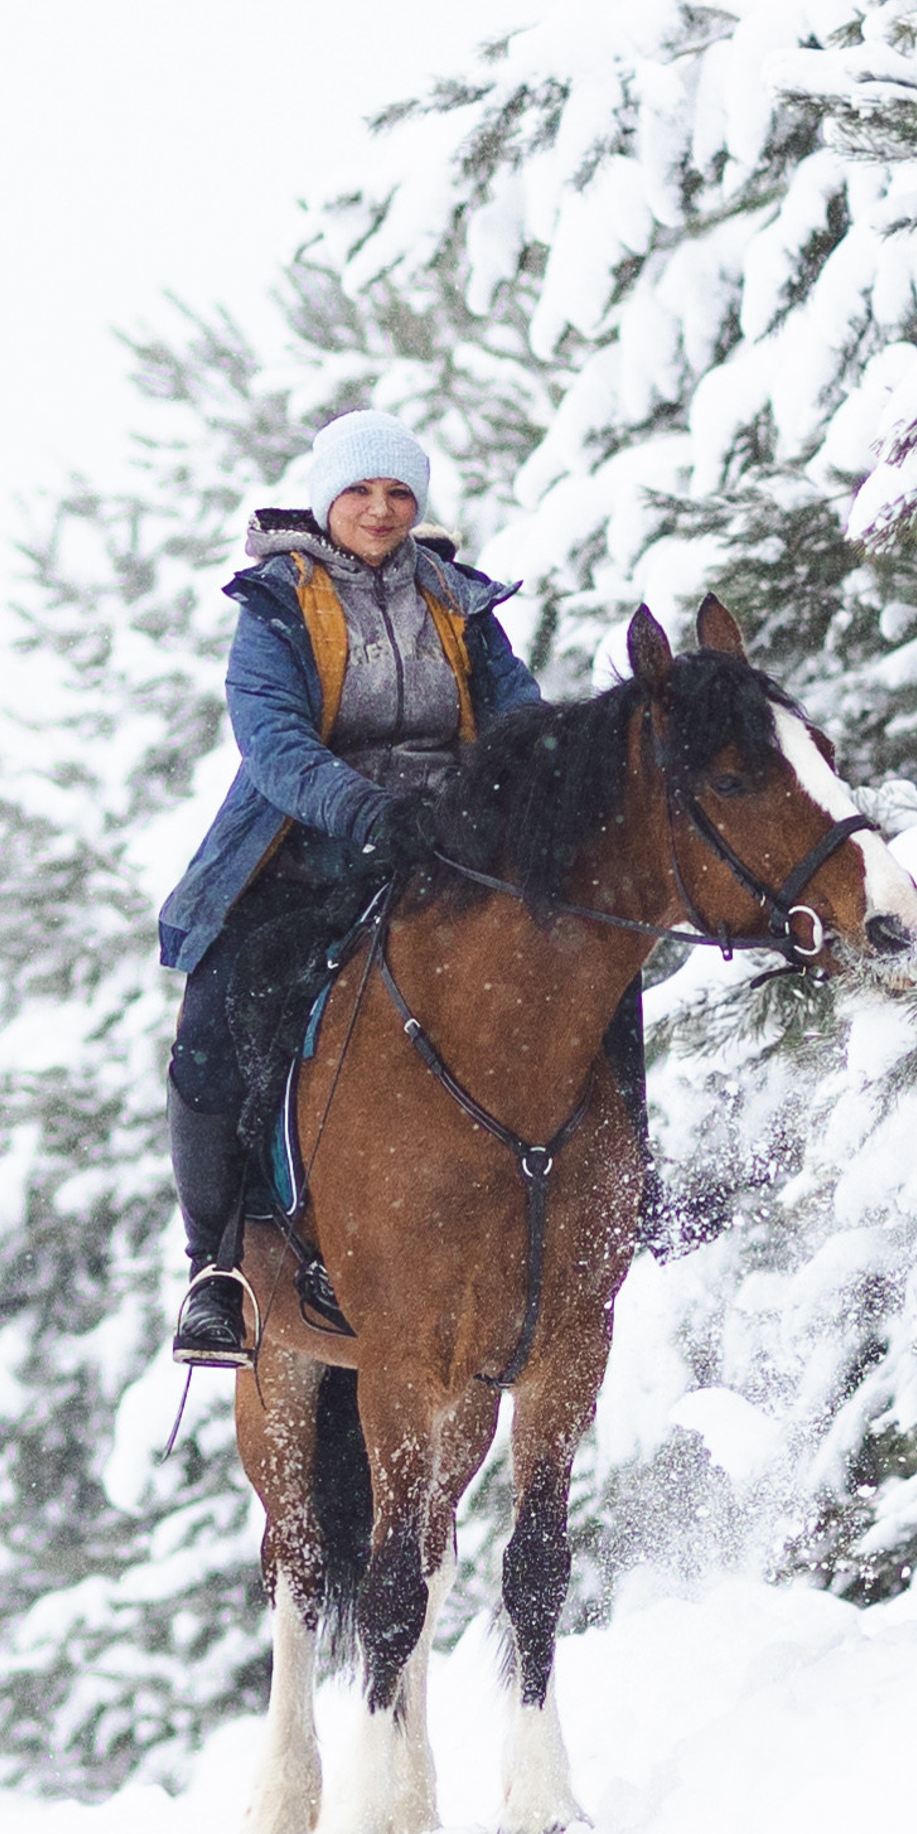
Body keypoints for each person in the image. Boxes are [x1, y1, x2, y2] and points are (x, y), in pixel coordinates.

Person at [155, 409, 549, 1367]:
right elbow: (275, 745)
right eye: (362, 491)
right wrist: (371, 812)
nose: (381, 510)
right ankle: (218, 1269)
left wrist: (519, 792)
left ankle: (623, 1187)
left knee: (586, 965)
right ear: (327, 499)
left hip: (452, 854)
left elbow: (519, 717)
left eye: (400, 492)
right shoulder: (276, 605)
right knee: (212, 1035)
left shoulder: (459, 602)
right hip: (307, 856)